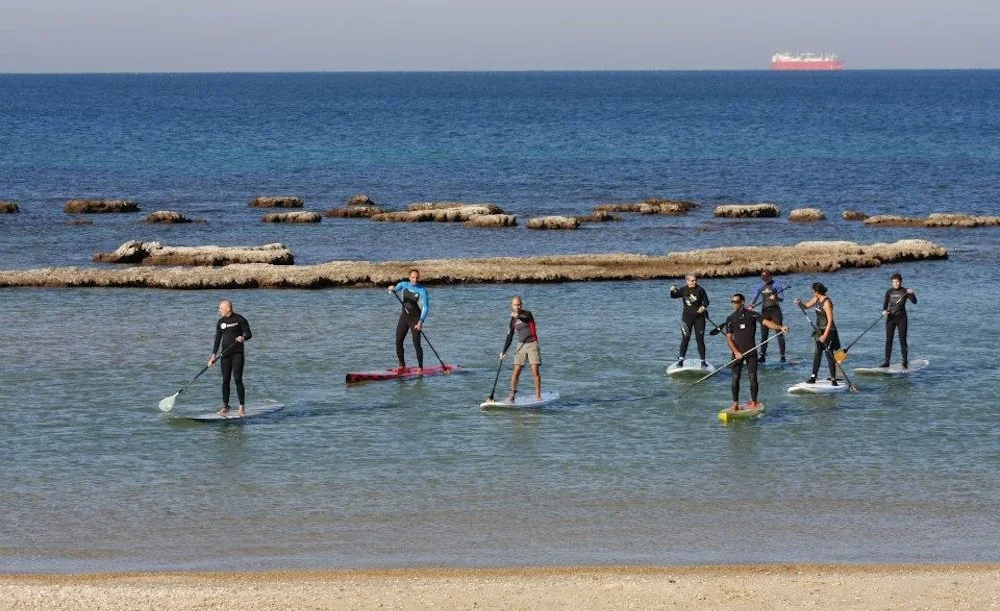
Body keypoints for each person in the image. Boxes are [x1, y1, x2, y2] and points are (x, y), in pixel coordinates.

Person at [724, 293, 789, 410]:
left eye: (736, 301)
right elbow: (728, 338)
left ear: (742, 302)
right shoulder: (730, 318)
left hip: (751, 351)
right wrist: (736, 352)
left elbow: (766, 323)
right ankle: (735, 404)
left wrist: (780, 327)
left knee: (752, 377)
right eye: (732, 302)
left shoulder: (752, 314)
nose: (734, 304)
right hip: (737, 353)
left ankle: (754, 402)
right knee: (735, 378)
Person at [208, 299, 252, 416]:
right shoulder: (220, 322)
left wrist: (242, 338)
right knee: (225, 380)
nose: (219, 310)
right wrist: (213, 356)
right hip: (225, 354)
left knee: (237, 378)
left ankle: (241, 406)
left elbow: (249, 334)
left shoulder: (240, 319)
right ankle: (225, 406)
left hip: (237, 353)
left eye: (220, 308)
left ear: (228, 308)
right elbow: (217, 339)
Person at [794, 282, 841, 385]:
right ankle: (813, 377)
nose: (812, 293)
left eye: (813, 291)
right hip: (819, 330)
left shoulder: (826, 302)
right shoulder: (816, 299)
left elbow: (830, 321)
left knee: (829, 354)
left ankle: (833, 379)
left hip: (828, 331)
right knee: (817, 354)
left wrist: (825, 335)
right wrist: (799, 303)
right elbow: (806, 306)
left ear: (817, 291)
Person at [500, 296, 542, 402]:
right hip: (521, 345)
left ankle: (537, 395)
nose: (518, 306)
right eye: (515, 305)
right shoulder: (512, 320)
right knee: (516, 371)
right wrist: (503, 351)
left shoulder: (527, 314)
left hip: (532, 344)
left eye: (519, 304)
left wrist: (517, 315)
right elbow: (510, 336)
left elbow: (525, 318)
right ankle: (512, 395)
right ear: (512, 305)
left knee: (534, 371)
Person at [388, 268, 429, 373]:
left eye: (417, 277)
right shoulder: (403, 285)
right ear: (409, 277)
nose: (415, 279)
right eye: (413, 277)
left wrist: (420, 322)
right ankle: (402, 365)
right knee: (398, 340)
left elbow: (425, 307)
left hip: (415, 319)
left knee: (416, 343)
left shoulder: (422, 291)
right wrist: (391, 289)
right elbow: (394, 290)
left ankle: (420, 367)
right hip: (404, 317)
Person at [670, 274, 710, 368]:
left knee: (700, 339)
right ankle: (681, 360)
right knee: (685, 338)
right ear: (687, 281)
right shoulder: (683, 290)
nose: (694, 282)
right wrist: (672, 290)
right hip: (687, 319)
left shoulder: (700, 289)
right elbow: (673, 296)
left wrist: (703, 307)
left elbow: (707, 301)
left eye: (695, 280)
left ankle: (703, 361)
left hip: (699, 318)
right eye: (692, 281)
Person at [881, 273, 917, 369]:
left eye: (897, 282)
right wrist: (884, 311)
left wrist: (912, 293)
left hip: (902, 318)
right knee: (889, 340)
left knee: (902, 340)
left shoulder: (905, 291)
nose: (895, 284)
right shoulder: (889, 291)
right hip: (891, 318)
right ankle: (887, 362)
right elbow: (885, 304)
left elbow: (914, 302)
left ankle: (905, 361)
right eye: (893, 282)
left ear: (900, 282)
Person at [749, 269, 786, 363]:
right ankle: (762, 356)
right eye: (763, 278)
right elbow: (754, 297)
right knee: (764, 335)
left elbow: (781, 298)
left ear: (770, 276)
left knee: (779, 333)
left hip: (775, 311)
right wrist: (751, 305)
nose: (764, 279)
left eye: (766, 277)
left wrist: (776, 297)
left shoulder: (776, 285)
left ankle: (782, 356)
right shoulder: (760, 286)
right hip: (765, 311)